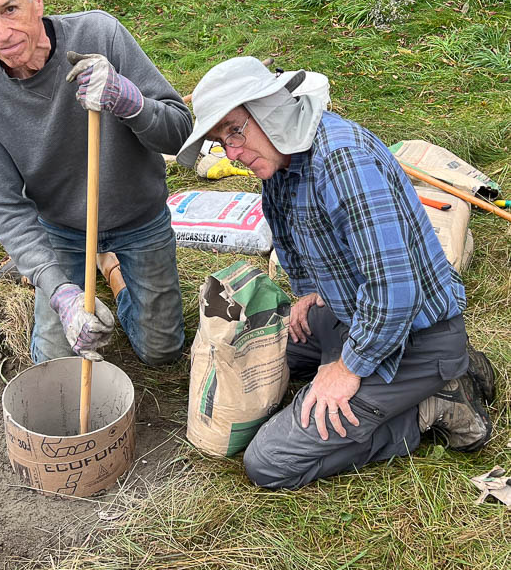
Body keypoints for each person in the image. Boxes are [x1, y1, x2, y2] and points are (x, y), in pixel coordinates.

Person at [177, 56, 494, 490]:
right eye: (221, 140)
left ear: (271, 109)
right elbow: (292, 240)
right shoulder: (282, 160)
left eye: (236, 130)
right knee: (258, 355)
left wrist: (347, 367)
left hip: (413, 333)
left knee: (270, 462)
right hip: (354, 311)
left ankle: (434, 402)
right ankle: (443, 372)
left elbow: (394, 291)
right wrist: (308, 291)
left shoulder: (342, 162)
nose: (232, 152)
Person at [0, 0, 190, 366]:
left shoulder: (100, 35)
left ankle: (112, 273)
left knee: (162, 353)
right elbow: (4, 207)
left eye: (9, 9)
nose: (0, 33)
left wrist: (130, 102)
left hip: (140, 218)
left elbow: (178, 133)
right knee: (57, 363)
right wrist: (58, 291)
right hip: (61, 229)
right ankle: (81, 274)